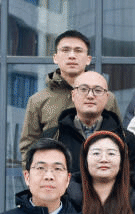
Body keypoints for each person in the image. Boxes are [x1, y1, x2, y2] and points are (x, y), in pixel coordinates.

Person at [18, 30, 119, 161]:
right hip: (56, 171)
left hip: (97, 170)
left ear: (88, 59)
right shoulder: (38, 100)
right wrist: (31, 170)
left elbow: (118, 140)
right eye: (65, 50)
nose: (72, 56)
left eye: (78, 51)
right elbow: (29, 145)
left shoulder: (107, 98)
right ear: (55, 58)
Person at [42, 70, 135, 174]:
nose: (90, 96)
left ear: (107, 97)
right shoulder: (52, 137)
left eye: (97, 90)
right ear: (73, 95)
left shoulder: (125, 139)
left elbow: (132, 178)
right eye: (83, 89)